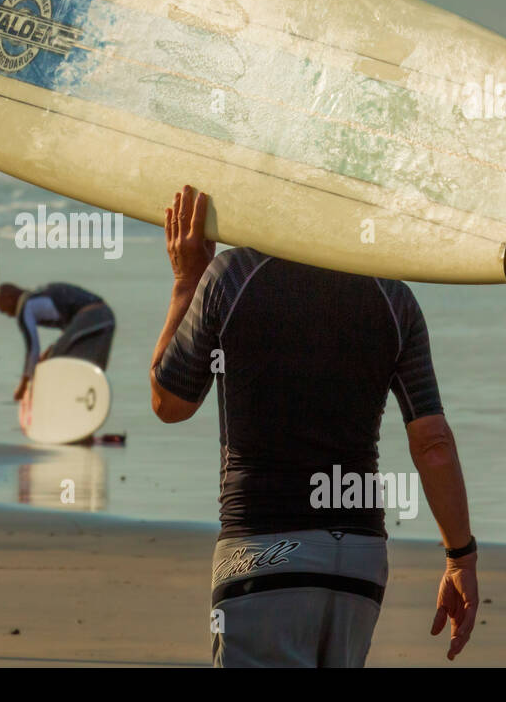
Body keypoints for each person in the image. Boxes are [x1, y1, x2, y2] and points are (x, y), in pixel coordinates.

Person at [149, 185, 477, 667]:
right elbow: (433, 443)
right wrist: (460, 558)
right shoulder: (394, 298)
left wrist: (185, 283)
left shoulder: (232, 275)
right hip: (358, 562)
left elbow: (168, 401)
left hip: (262, 549)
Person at [0, 281, 115, 401]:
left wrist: (23, 385)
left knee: (52, 362)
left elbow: (33, 350)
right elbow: (71, 327)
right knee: (91, 366)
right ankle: (89, 399)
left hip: (90, 316)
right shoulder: (41, 293)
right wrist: (51, 349)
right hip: (107, 317)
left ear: (8, 298)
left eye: (3, 311)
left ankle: (60, 399)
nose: (8, 315)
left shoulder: (24, 306)